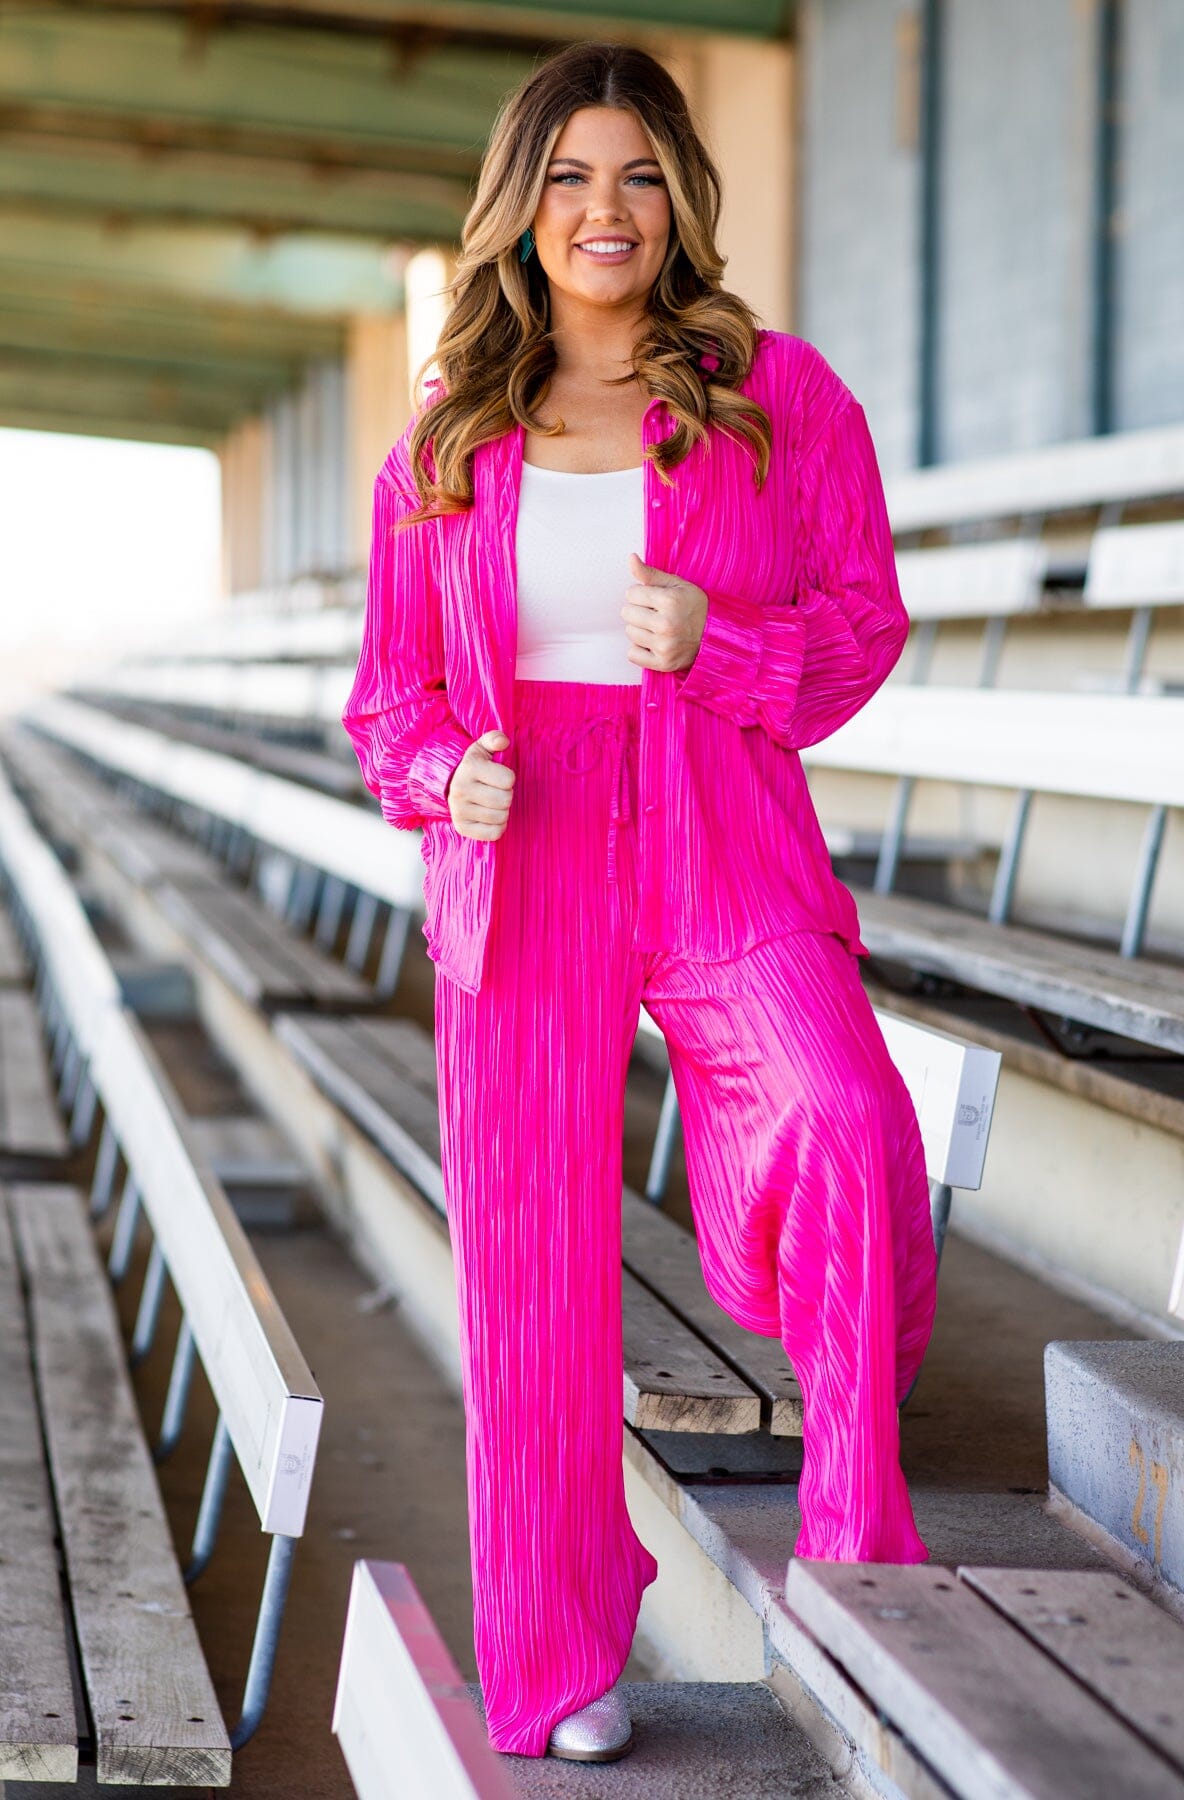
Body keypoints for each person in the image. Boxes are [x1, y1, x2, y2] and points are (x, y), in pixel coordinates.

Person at [342, 37, 938, 1767]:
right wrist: (442, 773)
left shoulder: (779, 398)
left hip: (720, 828)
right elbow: (386, 701)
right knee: (530, 1271)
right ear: (519, 206)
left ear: (680, 197)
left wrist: (723, 643)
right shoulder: (444, 440)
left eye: (640, 175)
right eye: (571, 176)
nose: (606, 209)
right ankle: (554, 1657)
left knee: (843, 1118)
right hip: (521, 850)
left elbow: (863, 627)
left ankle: (857, 1557)